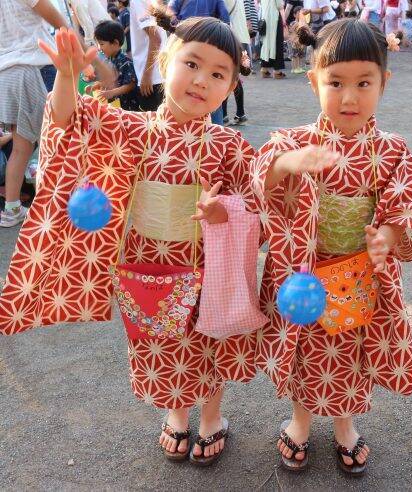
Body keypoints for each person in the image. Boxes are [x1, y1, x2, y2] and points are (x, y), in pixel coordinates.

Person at [1, 15, 261, 466]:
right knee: (162, 345)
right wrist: (66, 77)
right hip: (147, 264)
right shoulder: (130, 128)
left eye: (218, 74)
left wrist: (226, 212)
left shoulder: (229, 146)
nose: (201, 81)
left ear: (231, 87)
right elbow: (69, 121)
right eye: (192, 64)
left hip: (206, 263)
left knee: (210, 340)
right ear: (164, 60)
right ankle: (177, 413)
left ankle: (212, 417)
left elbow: (257, 204)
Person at [251, 18, 412, 474]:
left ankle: (343, 424)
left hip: (357, 274)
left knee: (348, 354)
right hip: (303, 273)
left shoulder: (390, 150)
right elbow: (261, 179)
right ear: (313, 80)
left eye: (363, 82)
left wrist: (388, 236)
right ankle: (299, 421)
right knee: (302, 352)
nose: (349, 97)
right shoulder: (294, 140)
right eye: (335, 82)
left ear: (383, 83)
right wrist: (287, 163)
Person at [0, 0, 67, 228]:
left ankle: (11, 209)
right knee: (58, 141)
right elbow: (60, 23)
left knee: (21, 148)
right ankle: (58, 208)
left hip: (6, 73)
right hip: (32, 67)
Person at [90, 20, 139, 110]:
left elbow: (131, 84)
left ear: (115, 43)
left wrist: (112, 93)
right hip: (118, 104)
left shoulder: (125, 61)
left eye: (101, 44)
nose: (99, 48)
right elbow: (115, 80)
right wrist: (100, 84)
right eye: (98, 44)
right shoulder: (111, 59)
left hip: (129, 106)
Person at [129, 0, 166, 111]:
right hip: (159, 73)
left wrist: (146, 75)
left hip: (152, 78)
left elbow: (155, 39)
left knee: (152, 125)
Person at [222, 0, 251, 124]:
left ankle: (223, 114)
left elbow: (223, 15)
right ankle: (240, 113)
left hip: (230, 38)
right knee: (234, 77)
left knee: (225, 77)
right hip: (241, 38)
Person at [260, 0, 287, 78]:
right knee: (277, 43)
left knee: (266, 44)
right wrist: (284, 21)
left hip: (265, 18)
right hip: (274, 19)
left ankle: (264, 69)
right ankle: (277, 71)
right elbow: (280, 6)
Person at [289, 6, 307, 72]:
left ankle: (299, 67)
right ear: (294, 15)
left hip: (300, 41)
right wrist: (293, 39)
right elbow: (291, 30)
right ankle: (294, 68)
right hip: (295, 41)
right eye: (299, 13)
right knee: (294, 56)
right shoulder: (293, 23)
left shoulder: (302, 22)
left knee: (299, 55)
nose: (300, 14)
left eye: (301, 13)